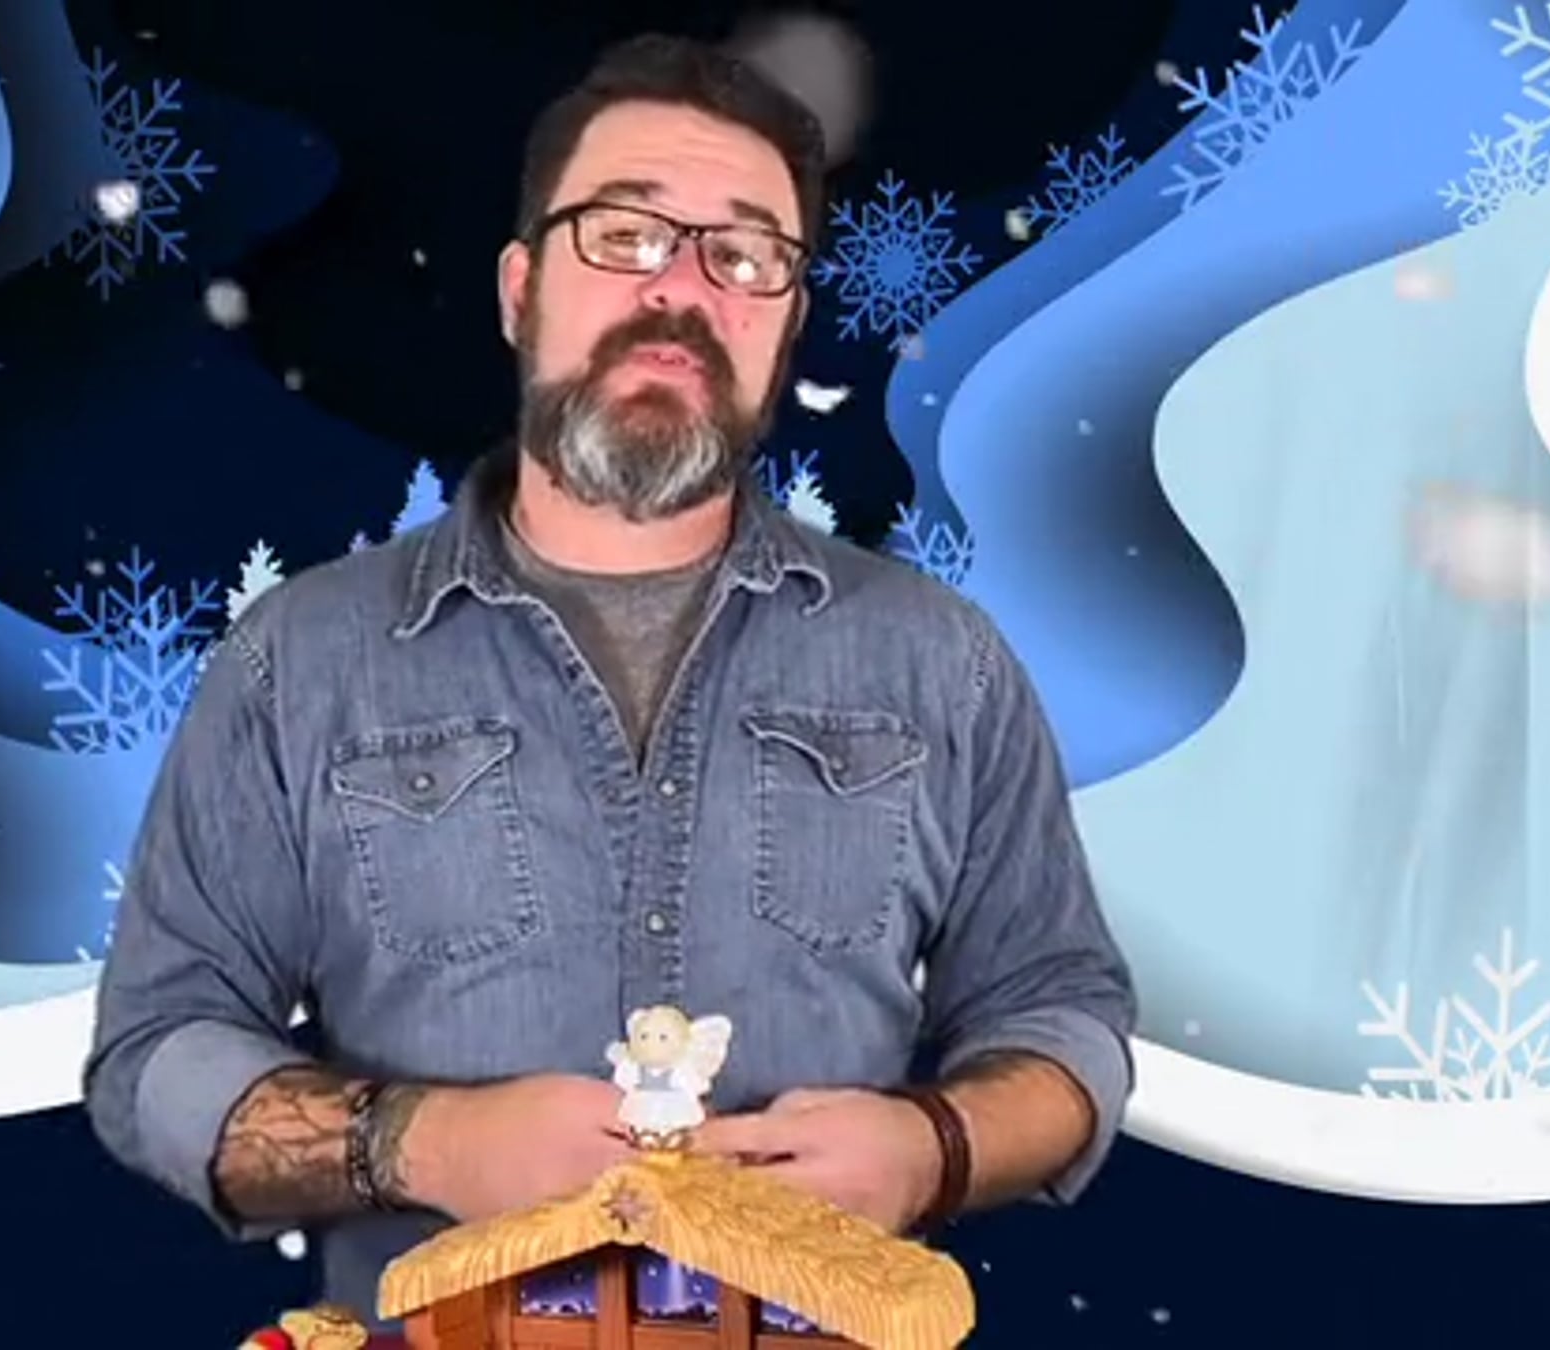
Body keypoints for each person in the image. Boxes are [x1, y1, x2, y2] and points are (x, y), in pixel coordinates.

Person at [84, 32, 1138, 1328]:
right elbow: (157, 1056)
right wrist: (416, 1141)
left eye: (743, 255)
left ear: (788, 323)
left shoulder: (941, 663)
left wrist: (935, 1148)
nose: (680, 292)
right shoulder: (297, 662)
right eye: (626, 235)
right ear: (520, 289)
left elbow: (1060, 1016)